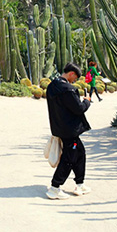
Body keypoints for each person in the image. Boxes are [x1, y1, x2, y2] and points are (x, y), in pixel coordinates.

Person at [45, 62, 92, 199]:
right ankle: (54, 188)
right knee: (69, 158)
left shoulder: (52, 85)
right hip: (69, 130)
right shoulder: (67, 89)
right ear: (71, 73)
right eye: (75, 78)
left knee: (80, 153)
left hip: (60, 127)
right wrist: (87, 101)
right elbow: (78, 108)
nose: (75, 81)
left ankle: (80, 183)